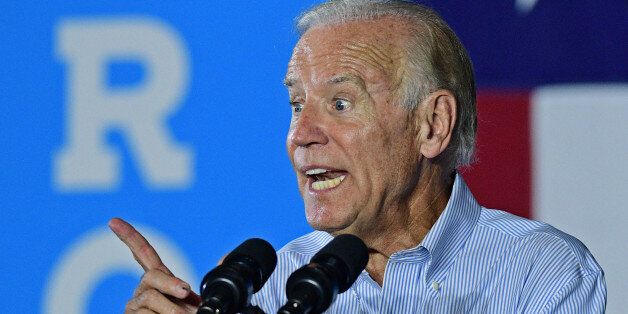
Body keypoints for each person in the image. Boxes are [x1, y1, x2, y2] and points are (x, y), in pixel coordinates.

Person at [109, 0, 607, 313]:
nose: (301, 135)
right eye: (296, 105)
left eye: (341, 104)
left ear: (431, 125)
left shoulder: (540, 272)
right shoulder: (273, 285)